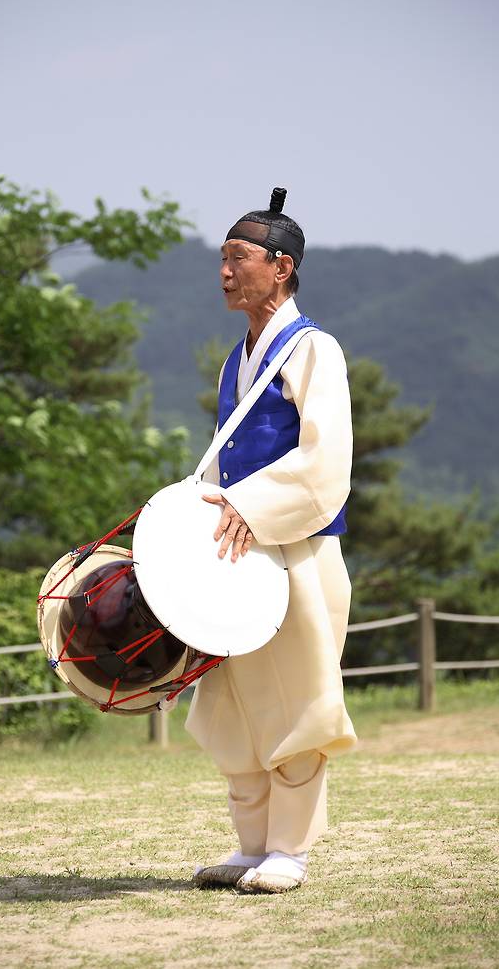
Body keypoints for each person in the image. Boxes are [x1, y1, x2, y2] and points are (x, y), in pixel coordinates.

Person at [185, 187, 357, 894]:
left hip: (300, 554)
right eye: (221, 259)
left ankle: (291, 847)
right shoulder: (237, 357)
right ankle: (253, 844)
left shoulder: (315, 349)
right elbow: (222, 461)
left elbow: (327, 463)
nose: (225, 272)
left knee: (296, 698)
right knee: (235, 701)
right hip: (240, 552)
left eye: (239, 258)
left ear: (281, 267)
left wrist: (251, 506)